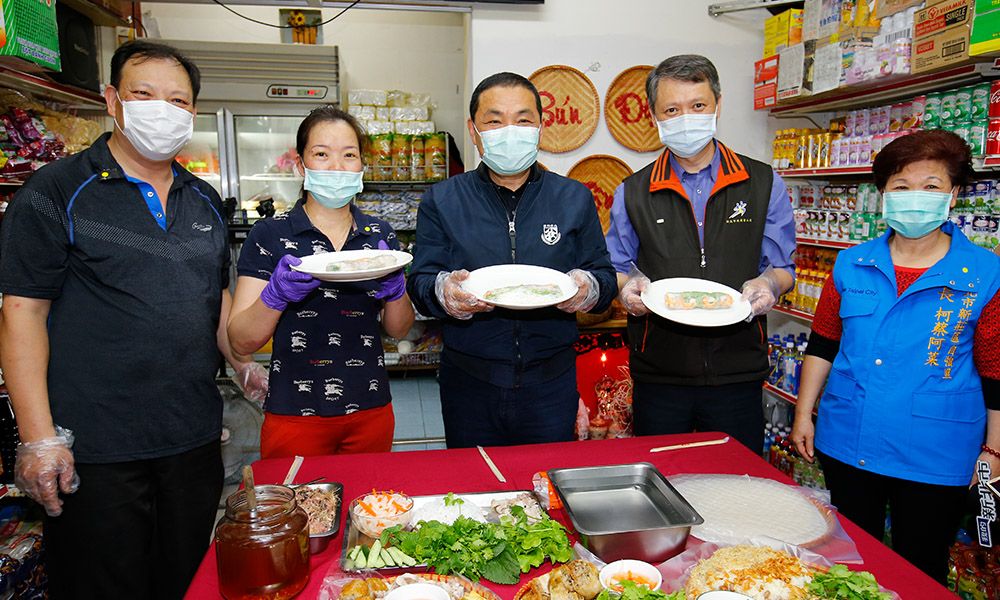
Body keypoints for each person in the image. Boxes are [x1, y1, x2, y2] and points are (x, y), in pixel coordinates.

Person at [0, 40, 265, 599]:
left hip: (191, 437)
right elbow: (22, 312)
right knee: (104, 585)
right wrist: (39, 438)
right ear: (112, 100)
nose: (162, 110)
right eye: (145, 94)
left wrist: (241, 362)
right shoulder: (55, 192)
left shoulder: (203, 199)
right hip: (96, 445)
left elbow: (213, 299)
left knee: (187, 579)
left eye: (178, 100)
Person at [790, 130, 1000, 583]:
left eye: (931, 186)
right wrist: (804, 413)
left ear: (954, 194)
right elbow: (824, 342)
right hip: (849, 438)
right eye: (901, 187)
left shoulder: (985, 273)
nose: (915, 198)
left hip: (935, 450)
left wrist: (994, 449)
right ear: (883, 194)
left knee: (919, 566)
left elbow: (996, 371)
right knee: (847, 561)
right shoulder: (851, 263)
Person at [407, 72, 616, 448]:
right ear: (473, 131)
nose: (510, 130)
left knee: (546, 487)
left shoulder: (574, 198)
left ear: (540, 126)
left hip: (551, 381)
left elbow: (603, 277)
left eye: (522, 119)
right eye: (494, 120)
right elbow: (421, 282)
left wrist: (588, 289)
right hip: (469, 382)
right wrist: (444, 292)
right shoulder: (442, 200)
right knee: (472, 488)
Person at [606, 54, 796, 452]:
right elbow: (617, 267)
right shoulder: (633, 191)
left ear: (717, 106)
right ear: (655, 118)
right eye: (672, 110)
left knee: (737, 482)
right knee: (661, 484)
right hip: (660, 371)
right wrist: (627, 291)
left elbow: (782, 268)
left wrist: (768, 285)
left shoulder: (762, 182)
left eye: (698, 106)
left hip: (737, 369)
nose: (686, 118)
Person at [228, 106, 414, 458]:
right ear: (301, 165)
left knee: (369, 509)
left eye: (349, 155)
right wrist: (275, 295)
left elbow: (400, 329)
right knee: (297, 511)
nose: (337, 167)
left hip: (370, 405)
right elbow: (240, 340)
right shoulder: (270, 234)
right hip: (294, 411)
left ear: (362, 166)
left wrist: (397, 291)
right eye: (321, 155)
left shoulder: (379, 235)